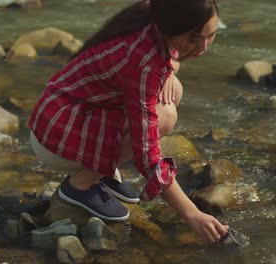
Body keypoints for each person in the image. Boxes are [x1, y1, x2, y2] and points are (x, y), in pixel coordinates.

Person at [28, 0, 229, 243]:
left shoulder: (153, 11)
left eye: (212, 35)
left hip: (63, 110)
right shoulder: (144, 62)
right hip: (57, 131)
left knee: (170, 93)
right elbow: (147, 155)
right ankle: (79, 186)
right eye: (194, 38)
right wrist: (192, 214)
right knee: (164, 116)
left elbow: (166, 57)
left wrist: (169, 71)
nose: (203, 47)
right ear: (172, 27)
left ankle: (102, 174)